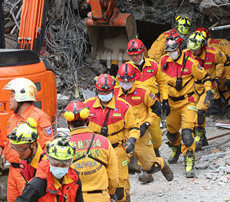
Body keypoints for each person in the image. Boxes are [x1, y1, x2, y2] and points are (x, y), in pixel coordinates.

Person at [158, 32, 212, 178]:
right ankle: (175, 147)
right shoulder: (163, 62)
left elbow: (206, 77)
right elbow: (157, 81)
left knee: (188, 134)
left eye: (173, 50)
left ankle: (189, 161)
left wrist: (208, 91)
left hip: (188, 101)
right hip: (170, 103)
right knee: (171, 132)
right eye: (168, 51)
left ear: (180, 48)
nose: (170, 54)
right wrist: (160, 100)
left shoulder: (191, 63)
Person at [114, 63, 173, 184]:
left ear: (133, 80)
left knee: (150, 166)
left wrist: (146, 124)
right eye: (122, 82)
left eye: (128, 82)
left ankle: (160, 163)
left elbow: (157, 109)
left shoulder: (143, 92)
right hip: (121, 134)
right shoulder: (113, 93)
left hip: (140, 133)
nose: (125, 85)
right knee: (120, 167)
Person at [84, 74, 139, 202]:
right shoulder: (87, 106)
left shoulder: (124, 106)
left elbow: (134, 127)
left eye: (108, 91)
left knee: (120, 187)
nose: (105, 94)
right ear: (96, 90)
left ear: (113, 90)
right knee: (98, 183)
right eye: (102, 91)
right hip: (95, 151)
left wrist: (132, 139)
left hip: (117, 150)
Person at [3, 78, 54, 202]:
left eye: (12, 96)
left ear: (21, 95)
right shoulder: (13, 117)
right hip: (13, 171)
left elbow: (47, 146)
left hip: (29, 171)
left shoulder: (39, 117)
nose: (9, 100)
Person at [64, 100, 119, 202]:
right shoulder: (104, 142)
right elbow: (113, 176)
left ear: (68, 123)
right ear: (88, 120)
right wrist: (111, 192)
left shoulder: (63, 146)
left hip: (74, 197)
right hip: (100, 197)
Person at [185, 31, 230, 150]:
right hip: (192, 87)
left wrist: (221, 77)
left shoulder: (213, 53)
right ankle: (202, 138)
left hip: (209, 87)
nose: (193, 52)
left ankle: (199, 134)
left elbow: (225, 61)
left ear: (202, 46)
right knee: (193, 113)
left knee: (200, 110)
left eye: (195, 50)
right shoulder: (185, 54)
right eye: (191, 49)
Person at [125, 39, 164, 157]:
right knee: (138, 133)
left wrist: (165, 99)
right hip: (136, 106)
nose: (135, 57)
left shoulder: (153, 65)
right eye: (132, 55)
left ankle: (155, 150)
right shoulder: (126, 68)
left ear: (142, 52)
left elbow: (162, 83)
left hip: (153, 103)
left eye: (137, 54)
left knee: (156, 136)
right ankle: (142, 160)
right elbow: (119, 87)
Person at [15, 137, 84, 202]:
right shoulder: (36, 186)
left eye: (64, 164)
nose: (59, 168)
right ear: (49, 160)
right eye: (56, 164)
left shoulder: (74, 179)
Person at [194, 27, 230, 118]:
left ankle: (216, 109)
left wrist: (217, 77)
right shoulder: (216, 41)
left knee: (217, 87)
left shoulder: (211, 47)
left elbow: (220, 63)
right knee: (224, 89)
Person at [8, 118, 46, 187]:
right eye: (16, 147)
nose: (19, 151)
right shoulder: (25, 159)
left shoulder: (45, 163)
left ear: (33, 144)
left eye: (22, 147)